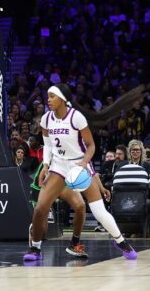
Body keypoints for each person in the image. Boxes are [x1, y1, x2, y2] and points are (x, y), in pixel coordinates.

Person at [25, 84, 138, 262]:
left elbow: (91, 146)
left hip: (79, 164)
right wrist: (46, 165)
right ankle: (35, 248)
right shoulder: (46, 118)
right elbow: (47, 145)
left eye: (52, 96)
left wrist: (84, 163)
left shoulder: (76, 117)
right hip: (59, 166)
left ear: (63, 99)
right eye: (48, 96)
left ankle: (121, 242)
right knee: (40, 208)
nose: (48, 100)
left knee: (98, 210)